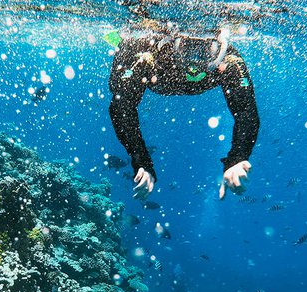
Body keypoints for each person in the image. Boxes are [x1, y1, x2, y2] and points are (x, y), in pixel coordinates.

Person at [107, 23, 260, 199]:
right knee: (119, 83)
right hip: (146, 67)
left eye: (204, 49)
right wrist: (141, 161)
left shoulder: (228, 61)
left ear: (219, 46)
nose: (193, 61)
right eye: (186, 47)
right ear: (172, 42)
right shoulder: (146, 53)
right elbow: (121, 107)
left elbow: (246, 112)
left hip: (158, 77)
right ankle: (118, 40)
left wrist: (238, 158)